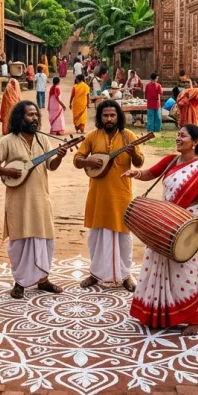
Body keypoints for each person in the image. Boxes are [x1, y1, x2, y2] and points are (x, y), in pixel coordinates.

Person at [123, 125, 198, 335]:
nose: (178, 138)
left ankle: (193, 319)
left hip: (189, 227)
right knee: (155, 268)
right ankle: (156, 314)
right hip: (164, 225)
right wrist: (136, 173)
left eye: (183, 135)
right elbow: (150, 173)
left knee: (186, 274)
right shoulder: (171, 159)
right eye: (178, 134)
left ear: (196, 142)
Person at [0, 102, 71, 298]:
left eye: (36, 115)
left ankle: (43, 280)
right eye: (29, 115)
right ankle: (20, 282)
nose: (34, 118)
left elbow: (51, 166)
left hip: (41, 199)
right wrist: (6, 170)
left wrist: (59, 156)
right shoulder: (8, 141)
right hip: (17, 201)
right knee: (19, 242)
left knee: (44, 240)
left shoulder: (43, 140)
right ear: (20, 117)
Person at [74, 101, 144, 291]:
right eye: (105, 115)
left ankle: (126, 275)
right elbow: (77, 159)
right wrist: (88, 160)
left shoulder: (129, 136)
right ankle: (95, 274)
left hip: (121, 195)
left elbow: (139, 163)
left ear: (118, 116)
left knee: (123, 237)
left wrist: (133, 154)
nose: (109, 119)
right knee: (96, 237)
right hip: (98, 196)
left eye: (112, 115)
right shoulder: (92, 136)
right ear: (100, 117)